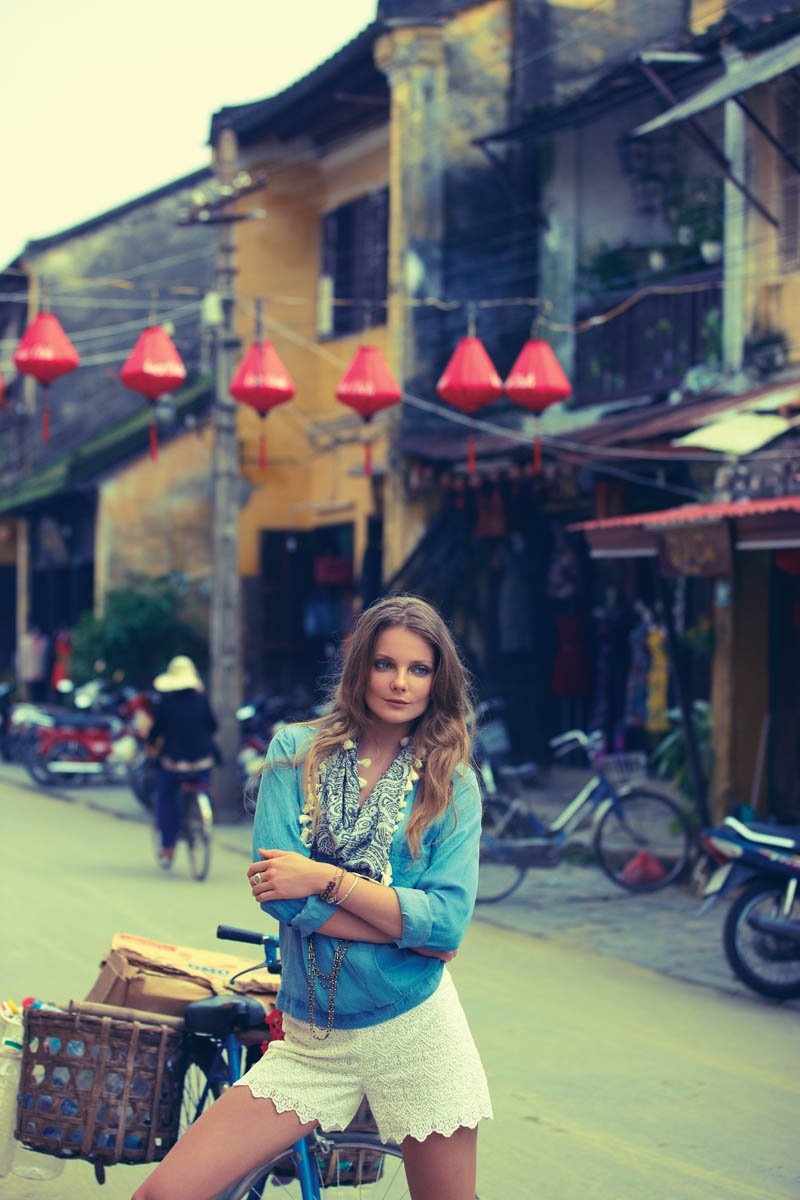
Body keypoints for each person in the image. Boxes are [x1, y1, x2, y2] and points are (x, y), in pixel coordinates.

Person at [133, 595, 491, 1200]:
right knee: (162, 1195)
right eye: (384, 664)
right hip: (312, 1039)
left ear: (439, 680)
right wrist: (407, 927)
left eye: (419, 669)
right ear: (359, 666)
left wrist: (324, 879)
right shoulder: (296, 752)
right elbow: (280, 896)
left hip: (417, 1033)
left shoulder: (450, 779)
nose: (400, 683)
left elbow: (447, 924)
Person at [145, 655, 218, 868]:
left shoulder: (166, 703)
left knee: (166, 797)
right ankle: (201, 817)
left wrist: (151, 745)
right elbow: (213, 726)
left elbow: (155, 732)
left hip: (174, 765)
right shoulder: (202, 700)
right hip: (202, 761)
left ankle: (168, 845)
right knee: (202, 786)